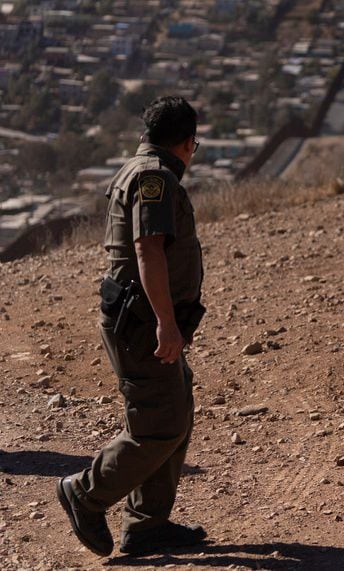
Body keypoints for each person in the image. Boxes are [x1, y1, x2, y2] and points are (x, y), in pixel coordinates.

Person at [56, 96, 208, 556]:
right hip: (143, 321)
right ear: (185, 142)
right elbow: (148, 250)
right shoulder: (153, 177)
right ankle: (85, 493)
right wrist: (165, 323)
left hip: (146, 317)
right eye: (194, 145)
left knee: (174, 411)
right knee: (158, 424)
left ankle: (147, 525)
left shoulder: (139, 168)